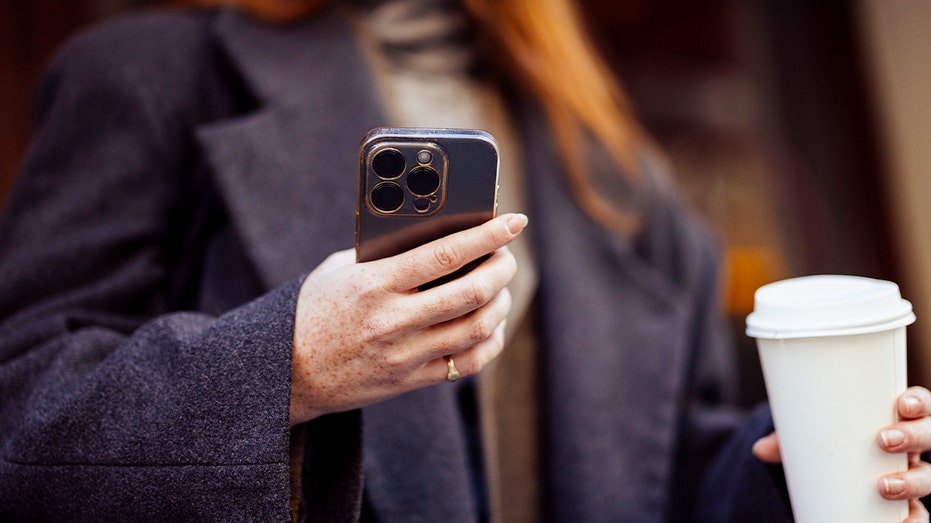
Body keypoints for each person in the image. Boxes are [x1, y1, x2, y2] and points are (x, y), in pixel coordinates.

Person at [0, 0, 928, 521]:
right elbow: (20, 406)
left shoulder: (612, 163)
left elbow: (656, 472)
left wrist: (789, 463)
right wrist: (287, 362)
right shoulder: (148, 76)